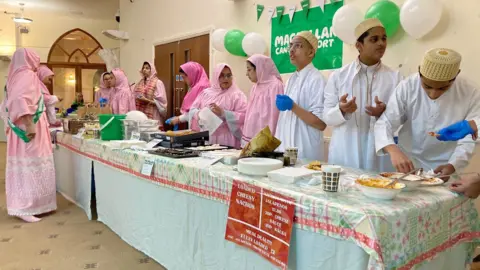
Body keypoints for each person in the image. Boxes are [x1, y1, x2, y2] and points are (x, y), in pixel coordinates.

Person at [374, 48, 480, 178]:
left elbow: (470, 138)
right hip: (408, 162)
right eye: (427, 86)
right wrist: (393, 149)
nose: (433, 94)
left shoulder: (470, 93)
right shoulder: (408, 86)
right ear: (419, 71)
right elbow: (386, 122)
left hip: (446, 167)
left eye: (443, 88)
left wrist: (453, 165)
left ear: (456, 75)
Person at [323, 19, 402, 171]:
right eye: (374, 39)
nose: (381, 43)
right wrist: (341, 110)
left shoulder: (395, 77)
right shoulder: (339, 76)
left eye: (384, 38)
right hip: (346, 150)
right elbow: (326, 117)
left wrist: (384, 112)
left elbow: (401, 118)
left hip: (379, 152)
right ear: (359, 46)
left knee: (378, 189)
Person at [3, 48, 57, 222]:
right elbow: (20, 100)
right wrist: (29, 124)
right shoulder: (26, 75)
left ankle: (35, 205)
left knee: (32, 164)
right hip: (28, 126)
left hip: (26, 124)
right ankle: (24, 207)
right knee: (31, 163)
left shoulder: (16, 76)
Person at [274, 31, 327, 161]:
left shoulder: (317, 79)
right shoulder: (291, 79)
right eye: (290, 46)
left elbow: (321, 124)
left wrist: (292, 106)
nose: (291, 50)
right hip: (286, 150)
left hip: (305, 150)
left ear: (310, 52)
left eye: (298, 46)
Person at [184, 63, 247, 148]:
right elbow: (193, 109)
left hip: (227, 139)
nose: (226, 79)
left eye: (229, 75)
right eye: (221, 75)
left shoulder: (237, 95)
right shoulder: (206, 93)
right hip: (208, 137)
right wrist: (199, 114)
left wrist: (224, 113)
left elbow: (244, 116)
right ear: (216, 76)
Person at [242, 54, 284, 146]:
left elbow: (275, 115)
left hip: (267, 136)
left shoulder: (275, 86)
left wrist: (271, 137)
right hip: (253, 134)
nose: (247, 74)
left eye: (249, 70)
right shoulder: (255, 86)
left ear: (260, 68)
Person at [166, 62, 210, 126]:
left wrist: (179, 119)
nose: (183, 81)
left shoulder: (202, 87)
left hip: (202, 128)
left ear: (192, 75)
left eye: (184, 77)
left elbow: (198, 113)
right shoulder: (194, 87)